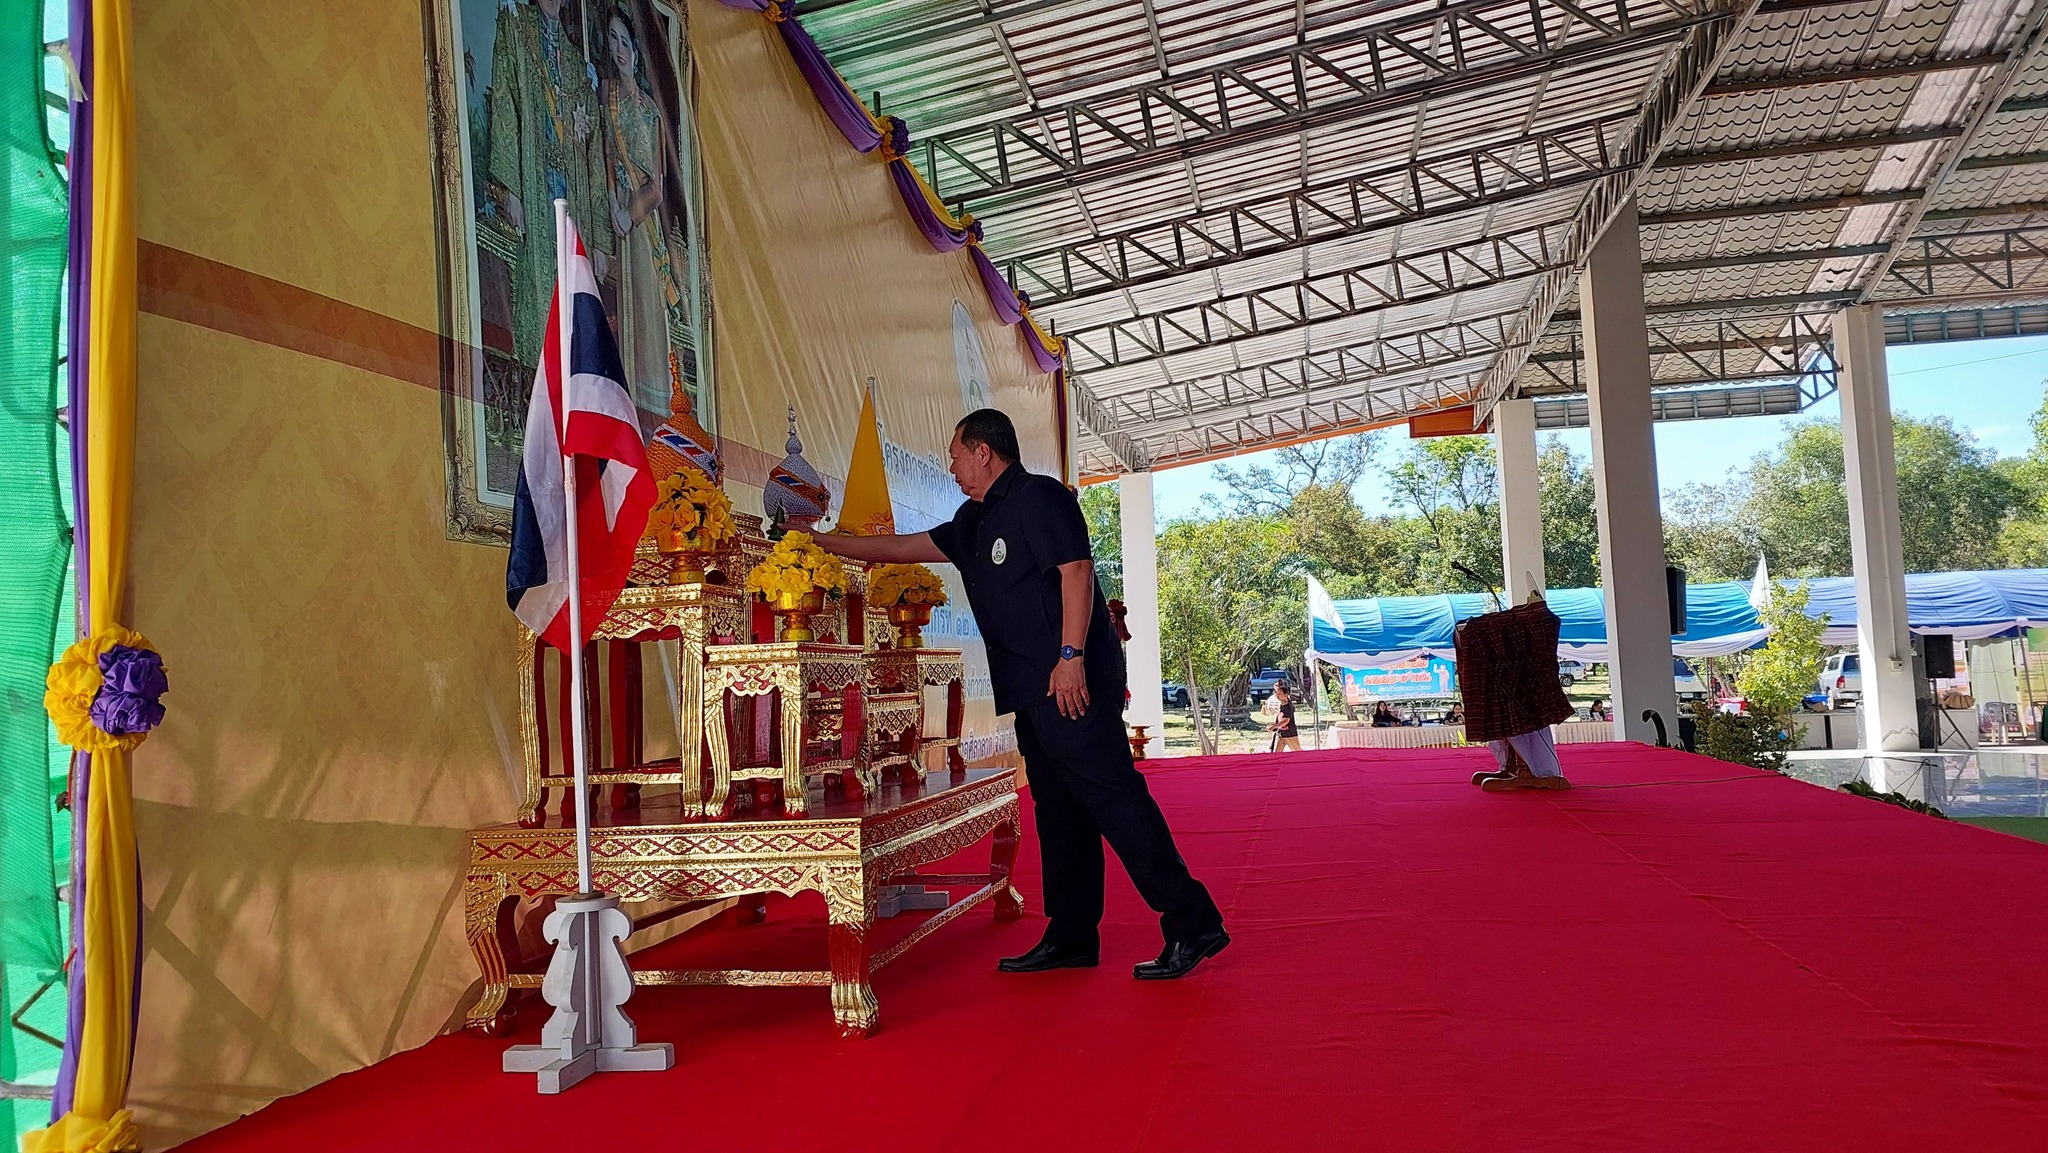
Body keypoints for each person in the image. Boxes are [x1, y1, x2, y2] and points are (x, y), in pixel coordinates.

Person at [816, 409, 1228, 980]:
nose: (952, 467)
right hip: (1030, 689)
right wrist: (820, 542)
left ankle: (1192, 920)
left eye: (956, 455)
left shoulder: (1040, 497)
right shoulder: (974, 520)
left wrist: (1071, 657)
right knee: (1059, 810)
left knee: (1115, 800)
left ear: (983, 451)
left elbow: (1076, 572)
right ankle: (1071, 934)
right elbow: (902, 547)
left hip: (1071, 682)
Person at [484, 0, 614, 367]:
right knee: (540, 288)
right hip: (533, 185)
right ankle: (539, 377)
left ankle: (570, 380)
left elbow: (593, 155)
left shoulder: (576, 65)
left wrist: (599, 241)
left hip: (573, 199)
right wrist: (511, 188)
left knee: (572, 296)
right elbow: (505, 102)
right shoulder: (516, 28)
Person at [601, 7, 691, 415]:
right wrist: (611, 200)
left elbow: (656, 184)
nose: (619, 49)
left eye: (625, 41)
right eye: (613, 39)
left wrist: (628, 214)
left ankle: (651, 407)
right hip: (614, 210)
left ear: (635, 50)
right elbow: (605, 154)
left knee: (647, 310)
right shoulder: (606, 95)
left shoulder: (650, 111)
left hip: (640, 223)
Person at [1267, 682, 1301, 752]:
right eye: (1277, 693)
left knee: (1297, 752)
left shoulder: (1288, 707)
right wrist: (1273, 726)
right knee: (1277, 753)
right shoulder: (1281, 706)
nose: (1277, 695)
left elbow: (1286, 721)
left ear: (1286, 695)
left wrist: (1274, 726)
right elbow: (1279, 720)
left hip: (1290, 734)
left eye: (1279, 694)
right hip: (1281, 734)